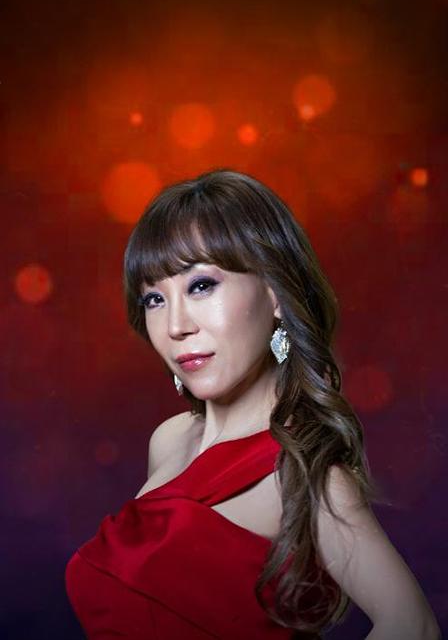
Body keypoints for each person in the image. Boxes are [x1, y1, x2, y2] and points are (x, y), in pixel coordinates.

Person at [65, 168, 441, 640]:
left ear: (275, 292)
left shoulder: (304, 474)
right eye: (154, 299)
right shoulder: (169, 440)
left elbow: (413, 626)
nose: (176, 326)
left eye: (201, 285)